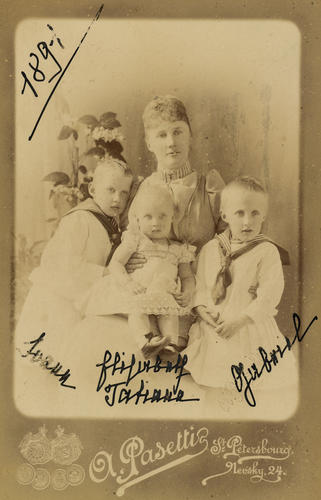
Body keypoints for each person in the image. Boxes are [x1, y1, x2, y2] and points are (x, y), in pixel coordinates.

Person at [14, 158, 133, 406]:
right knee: (49, 362)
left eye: (124, 192)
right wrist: (103, 274)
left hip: (78, 298)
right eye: (111, 190)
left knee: (71, 361)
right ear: (92, 190)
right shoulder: (79, 220)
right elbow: (59, 265)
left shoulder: (111, 221)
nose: (117, 199)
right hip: (56, 300)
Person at [184, 176, 297, 413]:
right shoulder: (211, 248)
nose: (248, 221)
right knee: (215, 388)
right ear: (224, 215)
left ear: (264, 215)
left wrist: (241, 320)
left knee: (252, 389)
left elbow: (269, 294)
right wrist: (203, 312)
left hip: (247, 326)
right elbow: (201, 286)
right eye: (240, 213)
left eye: (255, 213)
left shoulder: (266, 251)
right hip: (215, 328)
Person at [128, 95, 226, 348]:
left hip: (204, 291)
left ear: (190, 135)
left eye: (178, 132)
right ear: (149, 143)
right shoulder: (143, 190)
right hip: (152, 294)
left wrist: (203, 292)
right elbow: (131, 241)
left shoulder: (210, 187)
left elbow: (230, 246)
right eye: (161, 135)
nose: (171, 143)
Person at [85, 184, 196, 358]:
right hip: (139, 289)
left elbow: (187, 276)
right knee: (137, 311)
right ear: (137, 220)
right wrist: (128, 283)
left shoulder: (178, 249)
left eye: (162, 217)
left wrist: (188, 291)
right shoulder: (135, 241)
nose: (156, 223)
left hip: (164, 292)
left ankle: (170, 345)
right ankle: (145, 341)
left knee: (169, 313)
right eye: (148, 217)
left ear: (173, 218)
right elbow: (116, 263)